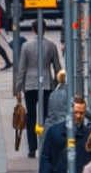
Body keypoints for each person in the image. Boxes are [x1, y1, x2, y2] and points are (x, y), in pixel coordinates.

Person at [14, 22, 62, 158]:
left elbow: (22, 69)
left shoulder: (26, 46)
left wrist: (18, 88)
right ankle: (46, 144)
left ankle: (32, 148)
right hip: (46, 84)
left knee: (31, 117)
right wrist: (56, 83)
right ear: (45, 29)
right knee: (47, 116)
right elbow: (57, 67)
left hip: (30, 85)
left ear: (32, 29)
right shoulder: (51, 46)